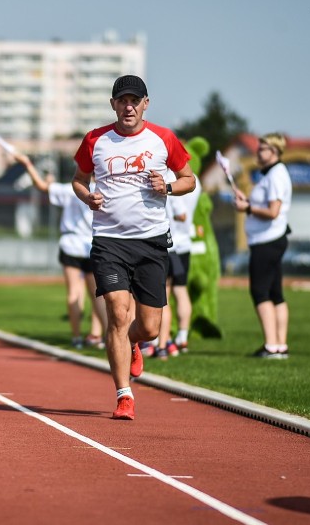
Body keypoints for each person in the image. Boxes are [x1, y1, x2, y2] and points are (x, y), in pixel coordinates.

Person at [72, 75, 196, 420]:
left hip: (151, 241)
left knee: (151, 328)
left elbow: (190, 179)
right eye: (122, 100)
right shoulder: (95, 140)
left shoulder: (163, 138)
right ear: (113, 104)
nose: (128, 106)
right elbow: (78, 181)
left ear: (145, 103)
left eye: (134, 100)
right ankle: (123, 395)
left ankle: (135, 343)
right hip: (109, 240)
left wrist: (168, 187)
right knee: (117, 312)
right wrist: (89, 197)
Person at [11, 151, 106, 348]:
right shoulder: (103, 190)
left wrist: (28, 164)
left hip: (71, 244)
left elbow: (42, 187)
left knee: (74, 292)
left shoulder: (70, 189)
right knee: (97, 293)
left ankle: (77, 337)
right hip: (92, 244)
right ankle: (101, 334)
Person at [233, 133, 292, 359]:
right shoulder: (272, 174)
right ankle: (280, 345)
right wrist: (247, 202)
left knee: (260, 291)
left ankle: (271, 345)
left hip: (268, 241)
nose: (258, 152)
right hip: (270, 240)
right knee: (275, 293)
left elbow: (273, 212)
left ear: (275, 152)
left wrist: (247, 209)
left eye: (263, 149)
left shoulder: (276, 175)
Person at [151, 169, 201, 358]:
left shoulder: (167, 178)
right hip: (180, 244)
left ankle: (160, 342)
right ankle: (178, 337)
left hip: (167, 245)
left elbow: (181, 214)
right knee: (179, 291)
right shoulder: (192, 179)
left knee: (161, 296)